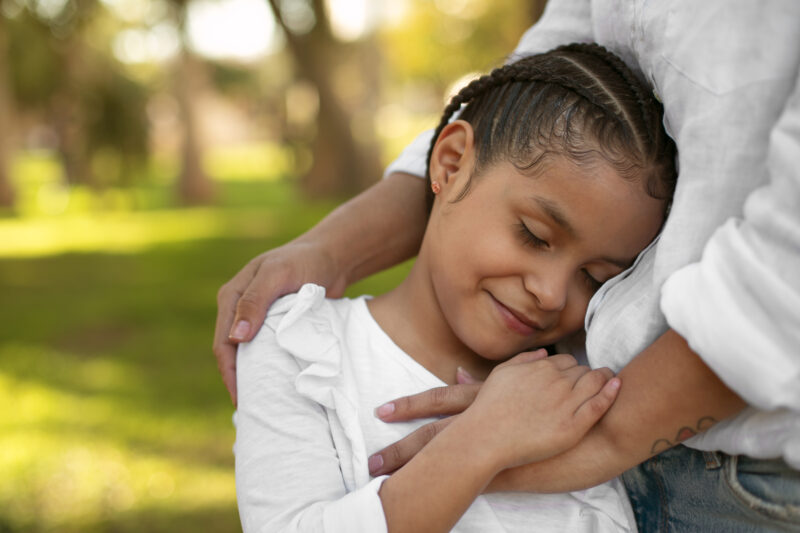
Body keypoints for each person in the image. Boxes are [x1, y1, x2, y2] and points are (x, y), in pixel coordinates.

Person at [219, 1, 800, 530]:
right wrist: (478, 443)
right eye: (534, 235)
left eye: (598, 280)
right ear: (448, 162)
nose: (551, 294)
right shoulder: (300, 350)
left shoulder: (571, 383)